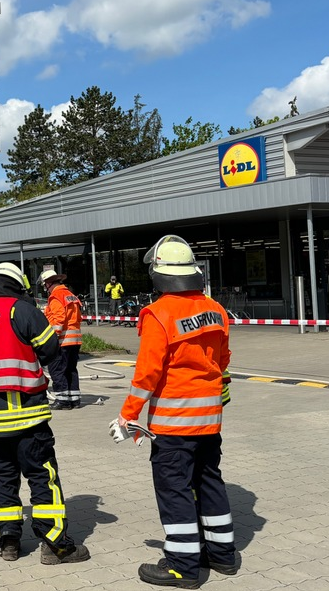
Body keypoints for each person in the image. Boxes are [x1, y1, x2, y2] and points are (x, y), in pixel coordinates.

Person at [113, 235, 237, 588]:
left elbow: (147, 372)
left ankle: (183, 564)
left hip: (173, 423)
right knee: (209, 480)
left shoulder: (159, 313)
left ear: (159, 274)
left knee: (175, 489)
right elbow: (223, 360)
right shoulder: (216, 310)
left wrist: (128, 414)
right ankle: (222, 555)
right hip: (210, 420)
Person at [0, 262, 90, 565]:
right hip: (27, 416)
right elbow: (51, 349)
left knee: (1, 478)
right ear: (17, 285)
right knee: (42, 477)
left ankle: (9, 542)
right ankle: (56, 546)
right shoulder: (20, 309)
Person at [39, 269, 83, 409]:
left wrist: (52, 339)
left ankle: (62, 400)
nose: (46, 288)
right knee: (71, 369)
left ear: (49, 283)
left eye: (45, 285)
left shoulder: (56, 296)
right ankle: (74, 399)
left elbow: (59, 319)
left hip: (63, 340)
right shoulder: (70, 295)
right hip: (75, 340)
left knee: (57, 369)